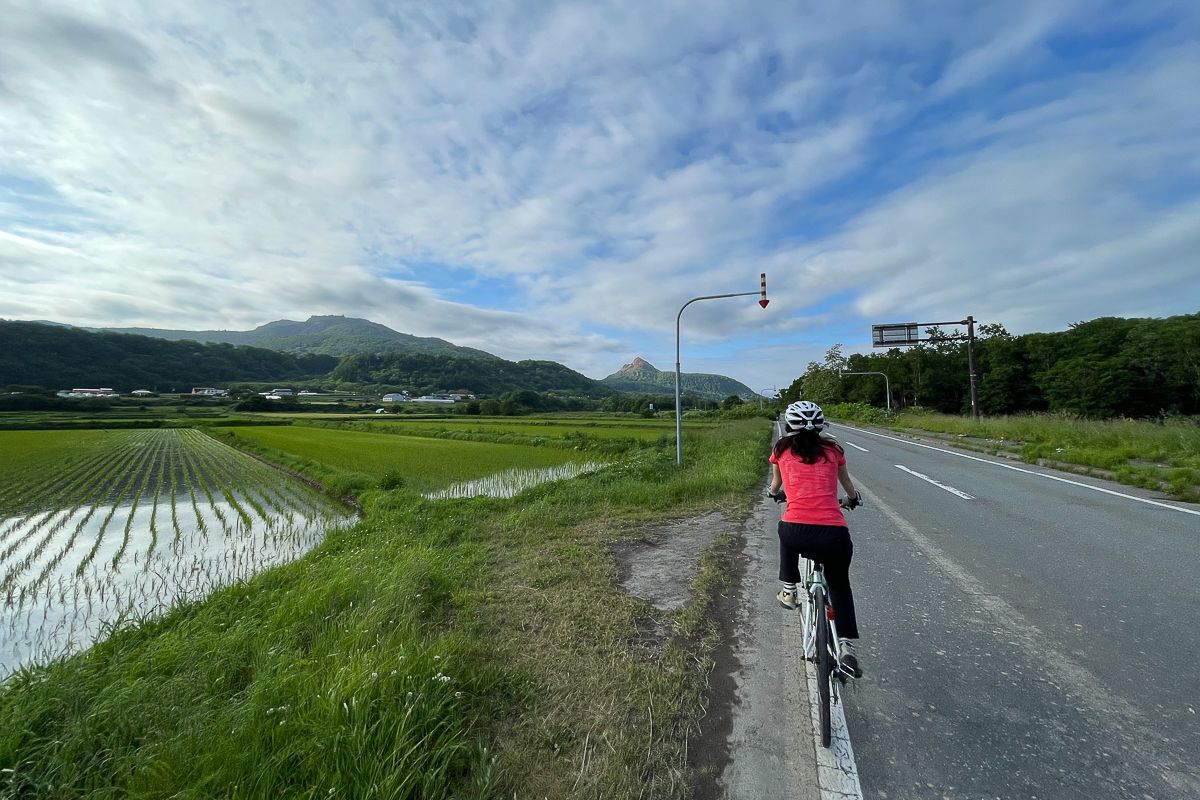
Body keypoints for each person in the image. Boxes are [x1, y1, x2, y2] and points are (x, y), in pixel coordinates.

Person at [767, 400, 864, 677]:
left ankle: (788, 589)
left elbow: (776, 487)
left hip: (796, 532)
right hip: (833, 534)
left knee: (785, 528)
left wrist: (775, 494)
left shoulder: (781, 450)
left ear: (788, 426)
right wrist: (852, 501)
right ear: (820, 425)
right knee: (840, 586)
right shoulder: (834, 451)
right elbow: (848, 486)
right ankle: (846, 646)